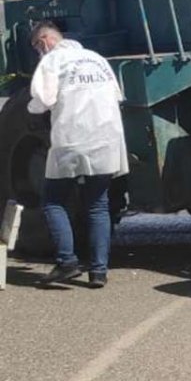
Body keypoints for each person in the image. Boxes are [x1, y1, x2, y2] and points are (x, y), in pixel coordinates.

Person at [27, 21, 128, 288]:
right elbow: (117, 96)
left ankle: (67, 262)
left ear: (45, 41)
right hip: (107, 139)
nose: (40, 52)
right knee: (98, 205)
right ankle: (98, 271)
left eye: (38, 46)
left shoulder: (53, 61)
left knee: (53, 201)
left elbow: (42, 102)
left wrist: (30, 108)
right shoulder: (97, 60)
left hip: (72, 138)